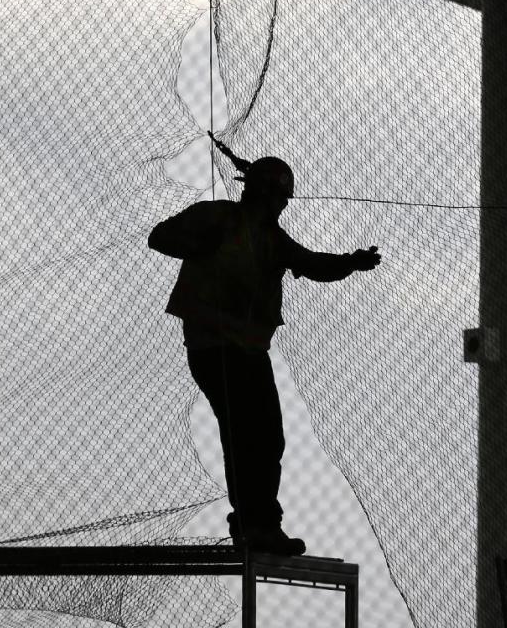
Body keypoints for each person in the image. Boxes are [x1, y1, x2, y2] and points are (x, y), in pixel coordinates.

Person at [148, 137, 381, 556]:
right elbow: (160, 237)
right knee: (246, 434)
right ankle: (255, 527)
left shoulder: (273, 240)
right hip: (215, 346)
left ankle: (257, 526)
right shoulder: (219, 217)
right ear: (261, 191)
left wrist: (351, 261)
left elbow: (312, 264)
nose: (283, 206)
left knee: (266, 437)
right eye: (280, 196)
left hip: (247, 349)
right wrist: (200, 242)